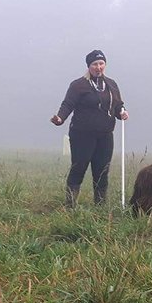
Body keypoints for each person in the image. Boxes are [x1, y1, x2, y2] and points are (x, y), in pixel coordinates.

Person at [50, 50, 129, 207]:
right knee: (79, 168)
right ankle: (70, 205)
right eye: (95, 64)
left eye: (101, 64)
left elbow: (118, 105)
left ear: (105, 65)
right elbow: (67, 104)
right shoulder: (79, 85)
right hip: (82, 135)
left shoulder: (112, 84)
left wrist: (122, 112)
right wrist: (60, 118)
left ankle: (100, 206)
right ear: (89, 66)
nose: (98, 67)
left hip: (105, 135)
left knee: (102, 171)